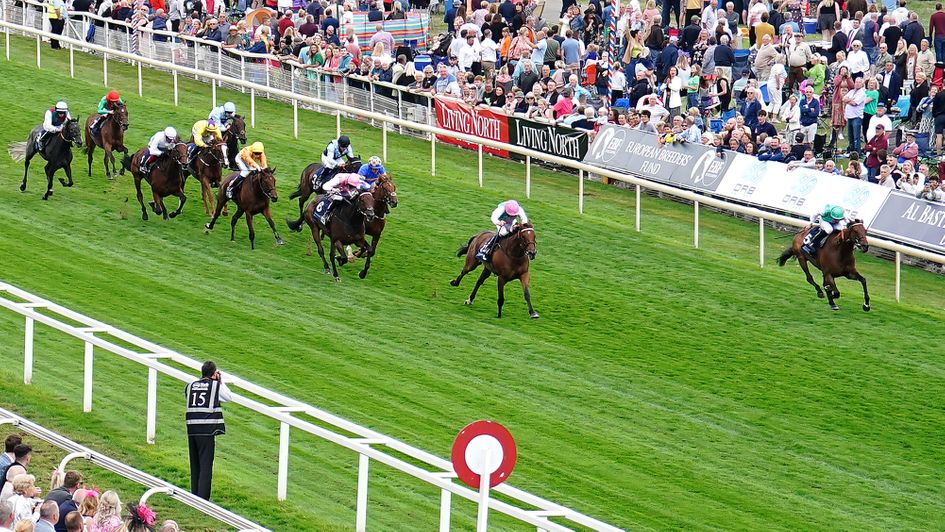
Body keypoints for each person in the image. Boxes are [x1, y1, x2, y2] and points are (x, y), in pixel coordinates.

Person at [185, 362, 231, 501]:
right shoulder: (215, 385)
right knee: (205, 466)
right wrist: (220, 381)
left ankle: (195, 495)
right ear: (213, 373)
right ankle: (203, 499)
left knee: (195, 464)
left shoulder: (190, 385)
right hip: (206, 430)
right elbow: (228, 397)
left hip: (192, 429)